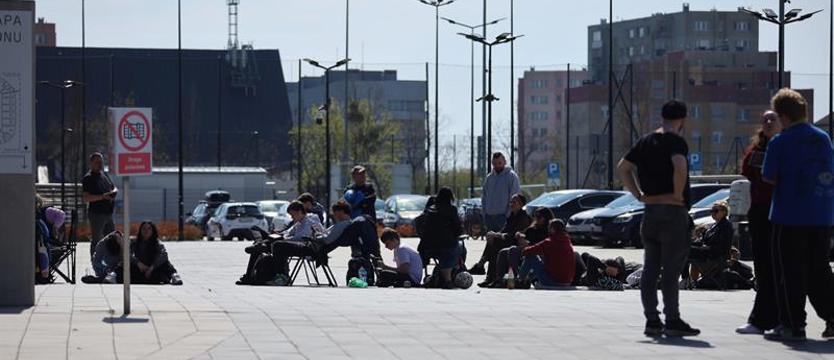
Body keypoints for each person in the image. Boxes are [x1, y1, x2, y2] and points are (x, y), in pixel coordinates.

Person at [617, 99, 700, 337]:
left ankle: (652, 320)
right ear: (682, 120)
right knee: (672, 270)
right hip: (672, 211)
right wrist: (676, 193)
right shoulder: (675, 141)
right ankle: (672, 319)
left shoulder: (645, 142)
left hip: (650, 211)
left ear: (661, 117)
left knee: (651, 268)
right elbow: (679, 164)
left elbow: (623, 167)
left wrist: (638, 194)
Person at [760, 89, 834, 341]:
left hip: (788, 216)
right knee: (820, 271)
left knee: (789, 272)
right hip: (821, 215)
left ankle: (793, 324)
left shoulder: (780, 142)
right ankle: (832, 318)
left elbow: (769, 176)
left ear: (782, 116)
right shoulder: (823, 138)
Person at [736, 110, 783, 335]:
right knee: (763, 267)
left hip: (783, 212)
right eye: (765, 119)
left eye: (773, 118)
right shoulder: (756, 149)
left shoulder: (787, 146)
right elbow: (746, 170)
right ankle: (761, 320)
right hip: (760, 211)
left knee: (782, 268)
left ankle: (783, 320)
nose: (768, 122)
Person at [237, 201, 324, 285]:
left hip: (304, 247)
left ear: (300, 212)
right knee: (255, 228)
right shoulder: (299, 222)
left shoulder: (310, 221)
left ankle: (250, 274)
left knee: (268, 246)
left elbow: (300, 237)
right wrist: (279, 234)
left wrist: (283, 238)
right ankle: (259, 243)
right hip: (288, 241)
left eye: (292, 215)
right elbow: (288, 232)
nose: (291, 218)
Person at [469, 193, 531, 286]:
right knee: (493, 242)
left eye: (514, 202)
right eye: (511, 202)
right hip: (507, 240)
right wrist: (495, 235)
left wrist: (498, 235)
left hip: (516, 242)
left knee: (494, 244)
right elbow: (504, 230)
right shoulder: (512, 216)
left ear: (521, 204)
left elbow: (514, 234)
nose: (511, 204)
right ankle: (489, 276)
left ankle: (484, 269)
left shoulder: (523, 217)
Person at [489, 207, 554, 288]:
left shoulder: (548, 229)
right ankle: (499, 280)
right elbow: (523, 235)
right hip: (526, 248)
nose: (536, 218)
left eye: (539, 216)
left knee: (513, 250)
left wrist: (529, 244)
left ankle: (517, 279)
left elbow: (544, 244)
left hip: (538, 251)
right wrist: (519, 236)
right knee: (503, 252)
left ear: (546, 218)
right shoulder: (532, 228)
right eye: (535, 216)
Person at [416, 187, 463, 289]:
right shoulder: (451, 209)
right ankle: (448, 279)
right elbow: (458, 230)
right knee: (458, 248)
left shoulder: (430, 209)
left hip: (426, 247)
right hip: (445, 246)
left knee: (448, 248)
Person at [681, 202, 733, 285]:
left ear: (724, 212)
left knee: (685, 251)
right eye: (711, 211)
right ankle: (686, 279)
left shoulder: (725, 225)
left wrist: (705, 247)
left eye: (715, 211)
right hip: (707, 251)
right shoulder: (713, 225)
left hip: (715, 254)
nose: (713, 213)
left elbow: (721, 245)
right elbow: (704, 241)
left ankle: (686, 280)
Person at [517, 219, 575, 288]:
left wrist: (524, 246)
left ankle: (520, 280)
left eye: (549, 228)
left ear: (553, 229)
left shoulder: (549, 241)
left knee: (531, 257)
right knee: (542, 262)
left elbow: (528, 251)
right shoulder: (568, 242)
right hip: (567, 282)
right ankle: (527, 279)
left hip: (552, 281)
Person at [82, 152, 118, 259]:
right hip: (97, 214)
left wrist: (114, 192)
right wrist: (103, 197)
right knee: (97, 240)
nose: (100, 164)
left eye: (101, 162)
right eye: (97, 162)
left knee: (111, 239)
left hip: (108, 213)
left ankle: (110, 262)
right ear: (91, 163)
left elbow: (113, 186)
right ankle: (95, 261)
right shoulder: (88, 178)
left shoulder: (104, 175)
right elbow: (87, 198)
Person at [480, 152, 521, 233]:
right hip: (489, 218)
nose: (497, 166)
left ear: (505, 162)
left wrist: (507, 214)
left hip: (503, 217)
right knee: (491, 244)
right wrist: (485, 213)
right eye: (494, 163)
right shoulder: (489, 178)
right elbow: (484, 197)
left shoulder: (511, 176)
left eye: (499, 163)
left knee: (503, 243)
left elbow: (514, 196)